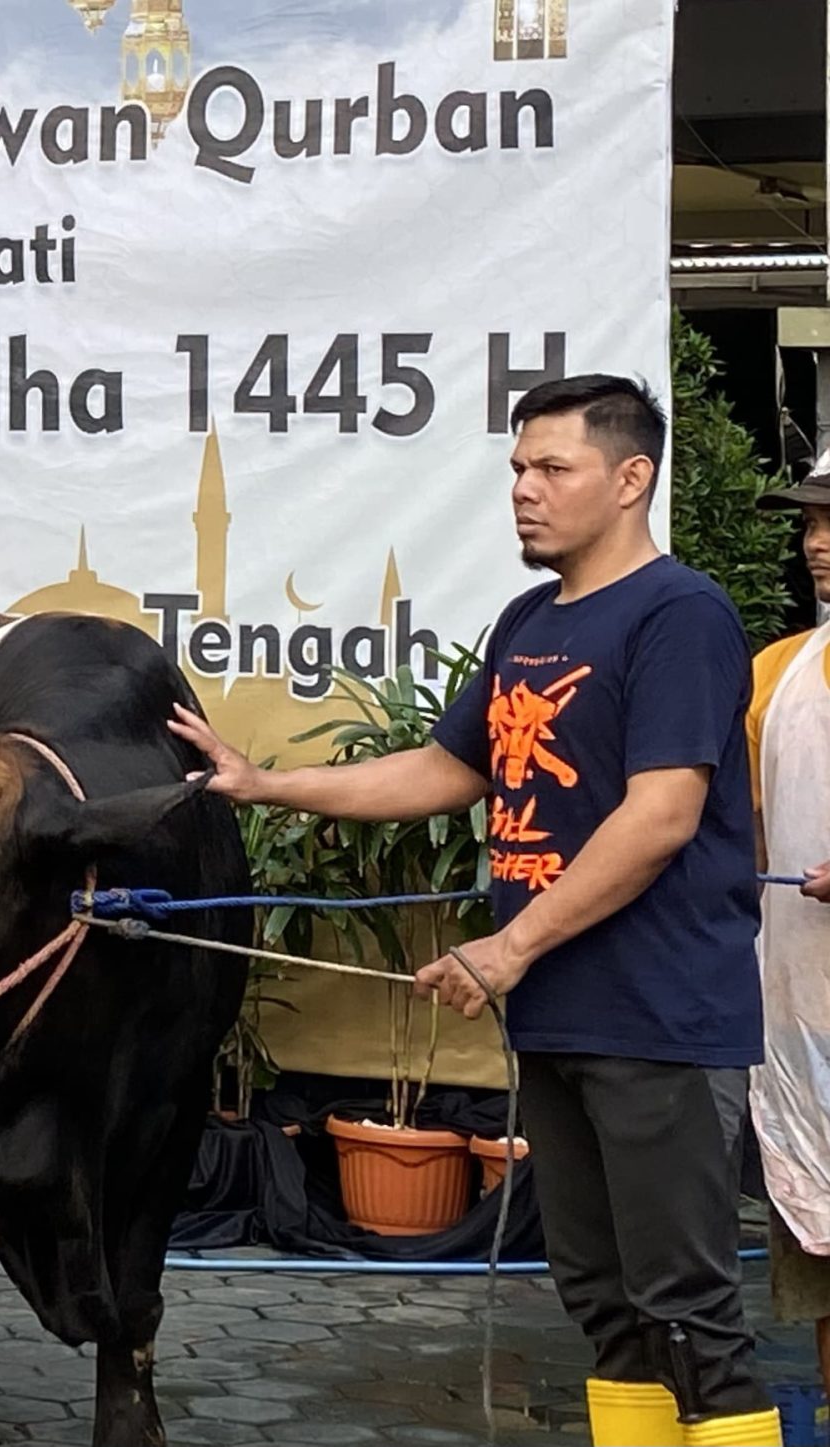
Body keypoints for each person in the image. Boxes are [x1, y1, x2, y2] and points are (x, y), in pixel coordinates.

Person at [169, 373, 780, 1447]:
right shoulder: (528, 622)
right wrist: (264, 782)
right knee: (607, 1309)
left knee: (689, 1315)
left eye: (553, 468)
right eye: (516, 469)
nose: (523, 490)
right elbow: (444, 769)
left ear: (630, 478)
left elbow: (660, 816)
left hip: (660, 1018)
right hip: (557, 1019)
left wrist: (509, 945)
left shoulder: (680, 614)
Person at [744, 458, 830, 1409]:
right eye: (810, 523)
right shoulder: (777, 672)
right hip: (802, 1025)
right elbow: (753, 833)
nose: (818, 542)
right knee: (821, 1274)